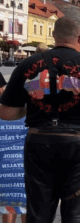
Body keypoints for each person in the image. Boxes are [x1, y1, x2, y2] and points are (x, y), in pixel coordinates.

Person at [0, 16, 80, 222]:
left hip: (39, 142)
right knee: (76, 210)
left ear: (54, 36)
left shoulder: (28, 65)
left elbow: (6, 112)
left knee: (38, 211)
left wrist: (30, 109)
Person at [0, 71, 27, 223]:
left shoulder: (2, 114)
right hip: (25, 166)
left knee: (8, 204)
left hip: (5, 168)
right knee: (27, 203)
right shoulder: (31, 116)